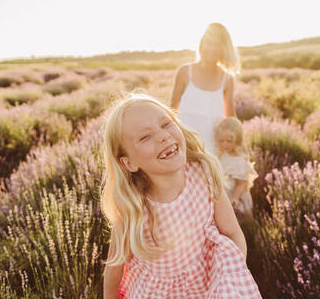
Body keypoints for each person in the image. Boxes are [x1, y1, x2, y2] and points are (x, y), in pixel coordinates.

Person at [101, 93, 261, 299]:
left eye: (166, 124)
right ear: (129, 163)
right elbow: (114, 269)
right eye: (145, 137)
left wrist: (229, 279)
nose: (162, 136)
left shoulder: (204, 173)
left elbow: (232, 233)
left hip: (207, 285)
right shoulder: (132, 205)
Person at [170, 22, 240, 154]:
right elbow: (171, 111)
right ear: (202, 43)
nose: (212, 48)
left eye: (217, 44)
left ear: (224, 48)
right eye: (209, 42)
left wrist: (239, 148)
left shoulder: (227, 79)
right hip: (186, 147)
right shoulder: (185, 72)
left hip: (213, 150)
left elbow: (230, 117)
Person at [215, 117, 257, 217]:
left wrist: (235, 198)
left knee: (238, 221)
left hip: (235, 197)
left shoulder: (238, 160)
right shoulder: (223, 154)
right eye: (221, 140)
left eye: (229, 141)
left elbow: (241, 183)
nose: (225, 144)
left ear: (237, 141)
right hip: (225, 195)